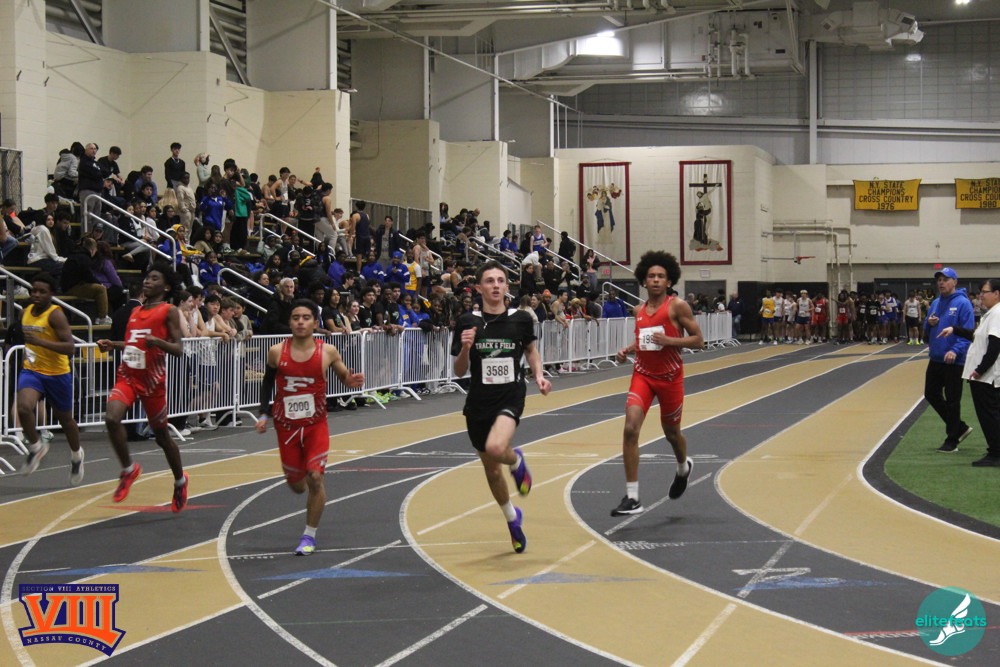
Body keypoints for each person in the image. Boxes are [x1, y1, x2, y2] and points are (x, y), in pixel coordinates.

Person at [452, 260, 551, 553]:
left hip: (510, 395)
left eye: (500, 280)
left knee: (497, 448)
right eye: (489, 281)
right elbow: (459, 371)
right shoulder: (467, 321)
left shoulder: (520, 319)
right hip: (478, 402)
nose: (496, 285)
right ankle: (512, 519)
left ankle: (516, 461)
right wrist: (466, 348)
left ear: (507, 286)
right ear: (479, 287)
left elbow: (531, 351)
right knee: (493, 471)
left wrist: (539, 375)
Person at [255, 299, 365, 555]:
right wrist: (263, 413)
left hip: (316, 425)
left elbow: (344, 376)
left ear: (315, 323)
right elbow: (267, 382)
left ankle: (309, 536)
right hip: (286, 426)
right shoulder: (276, 351)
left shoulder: (328, 351)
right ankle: (303, 473)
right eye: (296, 318)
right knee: (297, 486)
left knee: (315, 477)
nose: (300, 322)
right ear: (290, 322)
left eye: (306, 318)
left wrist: (351, 381)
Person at [611, 250, 704, 516]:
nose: (655, 280)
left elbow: (699, 340)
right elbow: (645, 340)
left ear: (669, 281)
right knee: (630, 429)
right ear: (643, 280)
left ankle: (683, 467)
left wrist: (670, 341)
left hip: (670, 379)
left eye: (661, 276)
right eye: (651, 276)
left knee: (671, 434)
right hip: (643, 375)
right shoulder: (638, 310)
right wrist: (627, 350)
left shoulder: (677, 306)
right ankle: (632, 497)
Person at [97, 263, 189, 511]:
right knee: (111, 418)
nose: (147, 281)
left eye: (154, 278)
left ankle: (180, 481)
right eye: (147, 277)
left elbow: (179, 349)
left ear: (166, 287)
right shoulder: (135, 311)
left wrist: (158, 341)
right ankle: (129, 469)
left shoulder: (168, 311)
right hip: (128, 375)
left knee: (162, 437)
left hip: (152, 382)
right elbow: (133, 344)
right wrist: (113, 344)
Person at [17, 273, 85, 485]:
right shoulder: (25, 312)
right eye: (33, 291)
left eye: (42, 292)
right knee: (23, 408)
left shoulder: (56, 315)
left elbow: (70, 348)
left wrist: (40, 342)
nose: (36, 295)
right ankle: (36, 446)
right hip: (32, 370)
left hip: (57, 374)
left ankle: (77, 455)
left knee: (66, 420)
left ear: (51, 294)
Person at [938, 279, 1000, 467]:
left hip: (987, 377)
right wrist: (955, 329)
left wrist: (980, 370)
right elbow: (977, 337)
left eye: (985, 292)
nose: (981, 295)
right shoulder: (991, 314)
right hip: (985, 376)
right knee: (990, 414)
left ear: (997, 293)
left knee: (989, 415)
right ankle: (995, 450)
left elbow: (995, 345)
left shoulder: (997, 314)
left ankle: (996, 453)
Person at [924, 267, 975, 453]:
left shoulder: (963, 303)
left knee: (953, 400)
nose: (941, 283)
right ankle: (959, 427)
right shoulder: (935, 303)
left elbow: (968, 332)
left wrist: (955, 350)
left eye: (945, 279)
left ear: (955, 282)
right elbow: (927, 332)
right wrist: (929, 324)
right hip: (936, 358)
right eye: (939, 280)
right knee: (931, 393)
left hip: (954, 360)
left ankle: (952, 440)